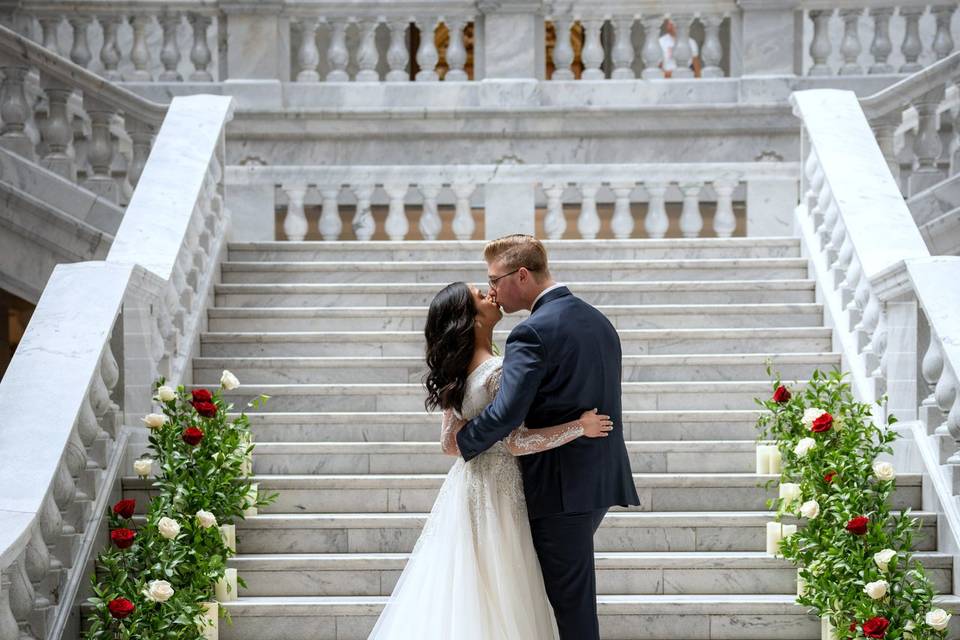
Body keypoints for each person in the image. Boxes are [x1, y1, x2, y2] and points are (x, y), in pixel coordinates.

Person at [367, 277, 613, 640]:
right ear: (471, 317)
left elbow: (450, 444)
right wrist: (579, 425)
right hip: (499, 493)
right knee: (503, 585)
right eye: (481, 295)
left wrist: (481, 428)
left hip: (466, 489)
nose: (491, 294)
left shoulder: (459, 370)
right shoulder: (498, 371)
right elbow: (516, 443)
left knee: (467, 585)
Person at [455, 235, 640, 640]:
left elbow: (506, 414)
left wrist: (463, 441)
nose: (492, 291)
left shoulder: (531, 333)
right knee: (557, 598)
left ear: (521, 275)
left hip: (558, 489)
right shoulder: (599, 320)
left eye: (495, 279)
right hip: (598, 479)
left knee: (572, 609)